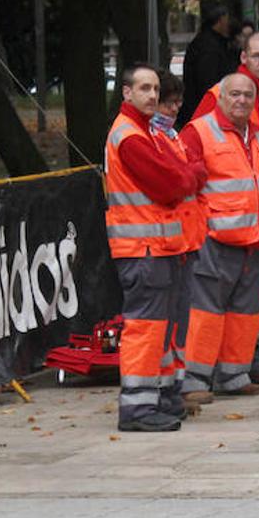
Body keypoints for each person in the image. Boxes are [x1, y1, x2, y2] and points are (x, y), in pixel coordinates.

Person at [104, 63, 204, 431]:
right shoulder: (130, 136)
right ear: (127, 93)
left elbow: (186, 173)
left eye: (155, 89)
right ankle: (137, 408)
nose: (151, 96)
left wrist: (186, 175)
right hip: (143, 248)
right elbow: (171, 183)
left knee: (159, 329)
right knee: (146, 328)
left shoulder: (144, 132)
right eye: (143, 88)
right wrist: (187, 176)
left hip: (157, 247)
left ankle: (157, 398)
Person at [192, 32, 259, 385]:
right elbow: (202, 143)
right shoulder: (217, 95)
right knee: (219, 294)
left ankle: (254, 355)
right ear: (244, 57)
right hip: (225, 221)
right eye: (256, 56)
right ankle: (221, 365)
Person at [179, 71, 259, 400]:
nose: (241, 100)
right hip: (214, 240)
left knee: (245, 312)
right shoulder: (199, 131)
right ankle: (193, 380)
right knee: (205, 311)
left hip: (255, 239)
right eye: (234, 94)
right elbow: (184, 186)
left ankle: (234, 375)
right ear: (220, 97)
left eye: (247, 95)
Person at [150, 72, 209, 410]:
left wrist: (191, 175)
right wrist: (191, 175)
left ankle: (173, 386)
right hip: (161, 242)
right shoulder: (151, 137)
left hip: (185, 239)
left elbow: (196, 173)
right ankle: (161, 390)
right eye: (166, 103)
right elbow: (180, 178)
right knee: (163, 323)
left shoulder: (172, 135)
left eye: (176, 103)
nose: (172, 109)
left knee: (178, 322)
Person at [180, 4, 237, 127]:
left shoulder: (206, 43)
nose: (229, 24)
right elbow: (207, 82)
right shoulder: (210, 47)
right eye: (227, 19)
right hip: (205, 111)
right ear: (220, 20)